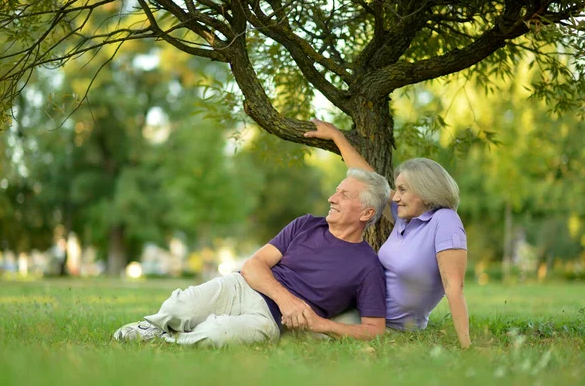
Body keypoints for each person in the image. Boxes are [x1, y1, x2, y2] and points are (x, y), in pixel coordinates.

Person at [113, 168, 390, 347]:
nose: (332, 197)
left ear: (366, 213)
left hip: (270, 323)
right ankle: (153, 326)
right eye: (335, 190)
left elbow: (374, 330)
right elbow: (253, 265)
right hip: (243, 287)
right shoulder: (306, 224)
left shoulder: (367, 266)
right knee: (179, 308)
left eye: (343, 194)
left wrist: (321, 325)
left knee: (216, 336)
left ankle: (165, 340)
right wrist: (288, 300)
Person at [304, 118, 471, 349]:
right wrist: (337, 137)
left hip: (389, 326)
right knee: (300, 316)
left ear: (426, 193)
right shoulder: (406, 217)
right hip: (360, 308)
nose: (396, 196)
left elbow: (454, 286)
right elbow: (371, 181)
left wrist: (467, 347)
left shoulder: (445, 221)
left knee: (308, 333)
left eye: (403, 190)